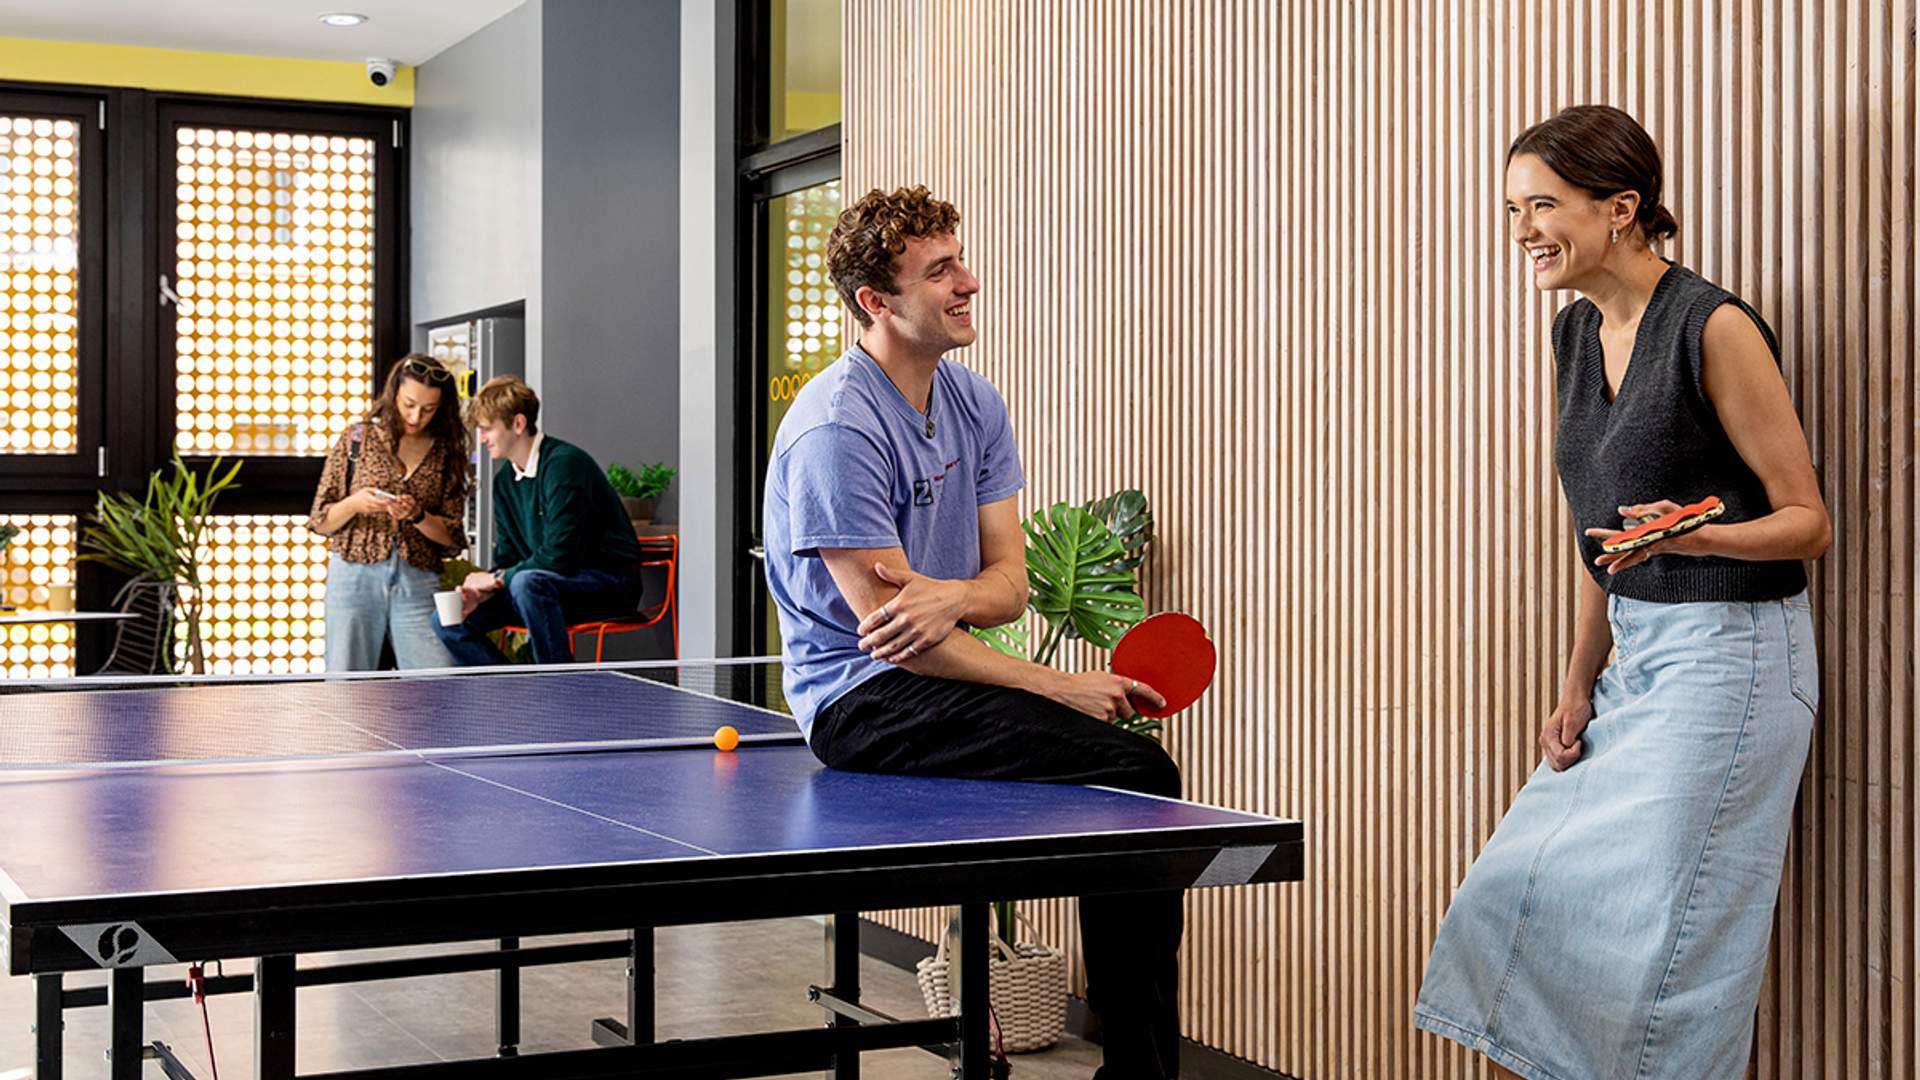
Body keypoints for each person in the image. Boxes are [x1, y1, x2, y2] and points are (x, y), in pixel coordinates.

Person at [1413, 105, 1831, 1080]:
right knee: (1523, 901)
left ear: (1622, 208)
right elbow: (1607, 545)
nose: (1521, 229)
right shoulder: (1572, 337)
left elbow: (1808, 520)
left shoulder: (1712, 326)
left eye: (1542, 204)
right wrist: (1574, 688)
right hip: (1636, 660)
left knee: (1663, 957)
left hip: (1734, 661)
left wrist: (1700, 529)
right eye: (1514, 207)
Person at [761, 185, 1185, 1080]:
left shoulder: (974, 403)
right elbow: (893, 639)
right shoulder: (836, 432)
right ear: (876, 302)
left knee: (1133, 783)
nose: (971, 281)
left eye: (960, 259)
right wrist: (1061, 684)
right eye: (940, 271)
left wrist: (948, 596)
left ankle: (1138, 1062)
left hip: (939, 673)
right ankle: (1141, 1070)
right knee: (1136, 768)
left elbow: (1009, 586)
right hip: (859, 699)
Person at [434, 375, 644, 665]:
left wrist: (496, 579)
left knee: (526, 582)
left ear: (518, 424)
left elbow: (561, 556)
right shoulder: (505, 481)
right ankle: (517, 691)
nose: (481, 439)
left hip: (609, 584)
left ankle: (557, 688)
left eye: (486, 429)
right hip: (541, 586)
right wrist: (480, 596)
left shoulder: (564, 465)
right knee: (448, 619)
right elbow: (508, 558)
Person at [310, 353, 470, 671]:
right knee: (346, 683)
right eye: (409, 403)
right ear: (394, 392)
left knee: (437, 681)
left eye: (428, 409)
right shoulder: (358, 438)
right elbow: (321, 520)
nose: (415, 416)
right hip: (353, 576)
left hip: (417, 578)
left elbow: (452, 539)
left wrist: (418, 515)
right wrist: (356, 503)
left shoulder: (446, 452)